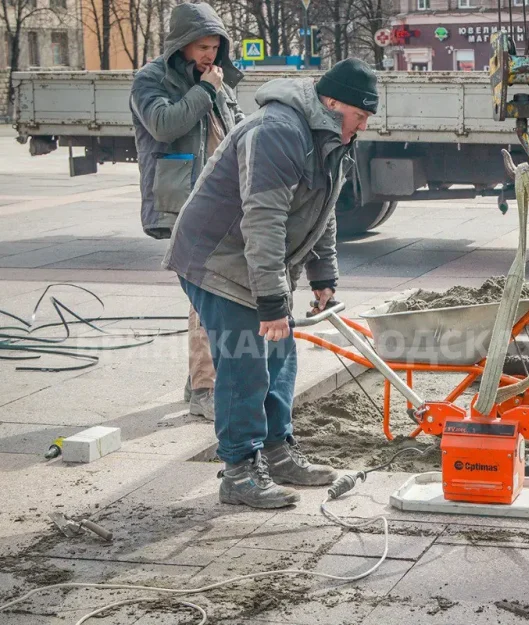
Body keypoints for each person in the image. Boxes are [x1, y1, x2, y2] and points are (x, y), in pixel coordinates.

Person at [162, 59, 379, 508]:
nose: (361, 127)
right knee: (245, 363)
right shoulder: (278, 132)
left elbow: (323, 211)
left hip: (254, 258)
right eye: (360, 116)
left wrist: (324, 278)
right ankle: (239, 472)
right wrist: (272, 302)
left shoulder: (330, 135)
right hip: (217, 258)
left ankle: (278, 452)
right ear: (333, 103)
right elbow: (264, 220)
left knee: (280, 356)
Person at [130, 2, 245, 421]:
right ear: (181, 45)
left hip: (223, 205)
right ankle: (204, 389)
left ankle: (199, 381)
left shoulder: (218, 83)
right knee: (208, 295)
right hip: (185, 202)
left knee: (208, 295)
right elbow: (163, 124)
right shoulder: (152, 80)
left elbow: (237, 131)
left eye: (215, 46)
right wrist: (207, 90)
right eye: (201, 46)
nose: (209, 55)